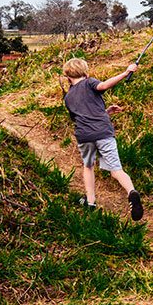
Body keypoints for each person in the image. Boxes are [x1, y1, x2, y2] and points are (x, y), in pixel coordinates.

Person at [62, 57, 143, 220]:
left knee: (88, 166)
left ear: (68, 77)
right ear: (85, 72)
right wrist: (126, 72)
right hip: (103, 132)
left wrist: (106, 112)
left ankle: (90, 202)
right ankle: (131, 192)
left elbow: (82, 116)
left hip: (84, 136)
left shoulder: (68, 97)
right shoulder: (89, 83)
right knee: (116, 170)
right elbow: (104, 85)